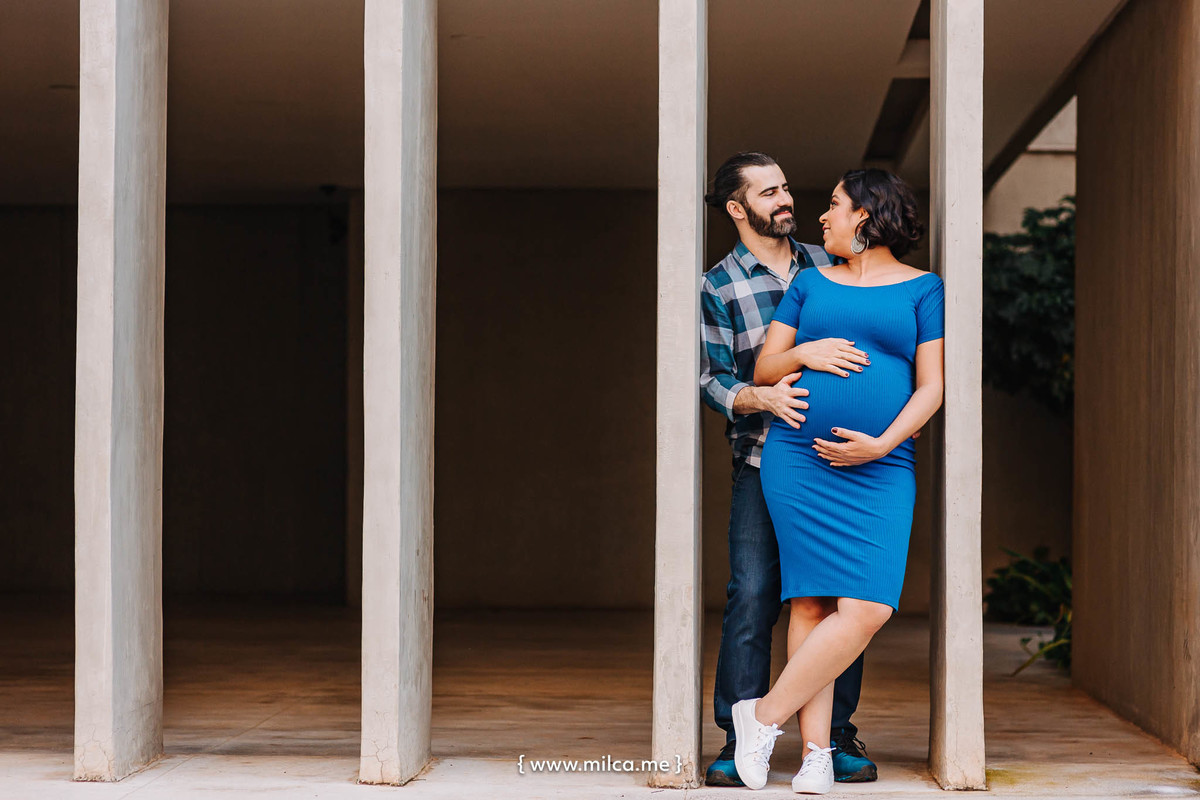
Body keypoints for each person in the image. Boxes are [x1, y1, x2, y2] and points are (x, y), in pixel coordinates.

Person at [731, 168, 944, 794]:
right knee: (811, 603)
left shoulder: (923, 289)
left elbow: (932, 384)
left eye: (834, 206)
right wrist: (805, 354)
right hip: (798, 459)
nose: (821, 217)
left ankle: (761, 716)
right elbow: (767, 365)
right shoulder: (808, 282)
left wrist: (883, 442)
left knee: (869, 605)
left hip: (882, 466)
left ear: (866, 215)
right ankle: (817, 755)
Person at [699, 152, 880, 787]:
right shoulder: (718, 286)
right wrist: (762, 395)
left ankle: (833, 736)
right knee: (750, 596)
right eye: (769, 191)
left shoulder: (832, 261)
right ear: (735, 207)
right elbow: (712, 378)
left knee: (836, 600)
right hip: (760, 460)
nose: (785, 199)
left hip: (836, 458)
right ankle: (736, 734)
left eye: (784, 188)